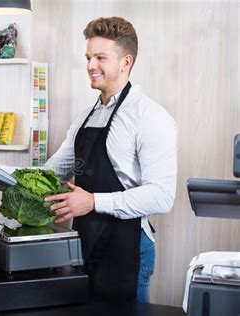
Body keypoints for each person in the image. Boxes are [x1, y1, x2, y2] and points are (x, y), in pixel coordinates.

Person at [44, 17, 177, 303]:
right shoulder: (86, 117)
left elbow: (162, 196)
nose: (91, 65)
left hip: (127, 250)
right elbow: (49, 173)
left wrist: (92, 201)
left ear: (125, 61)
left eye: (100, 57)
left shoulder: (151, 118)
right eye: (89, 57)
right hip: (84, 245)